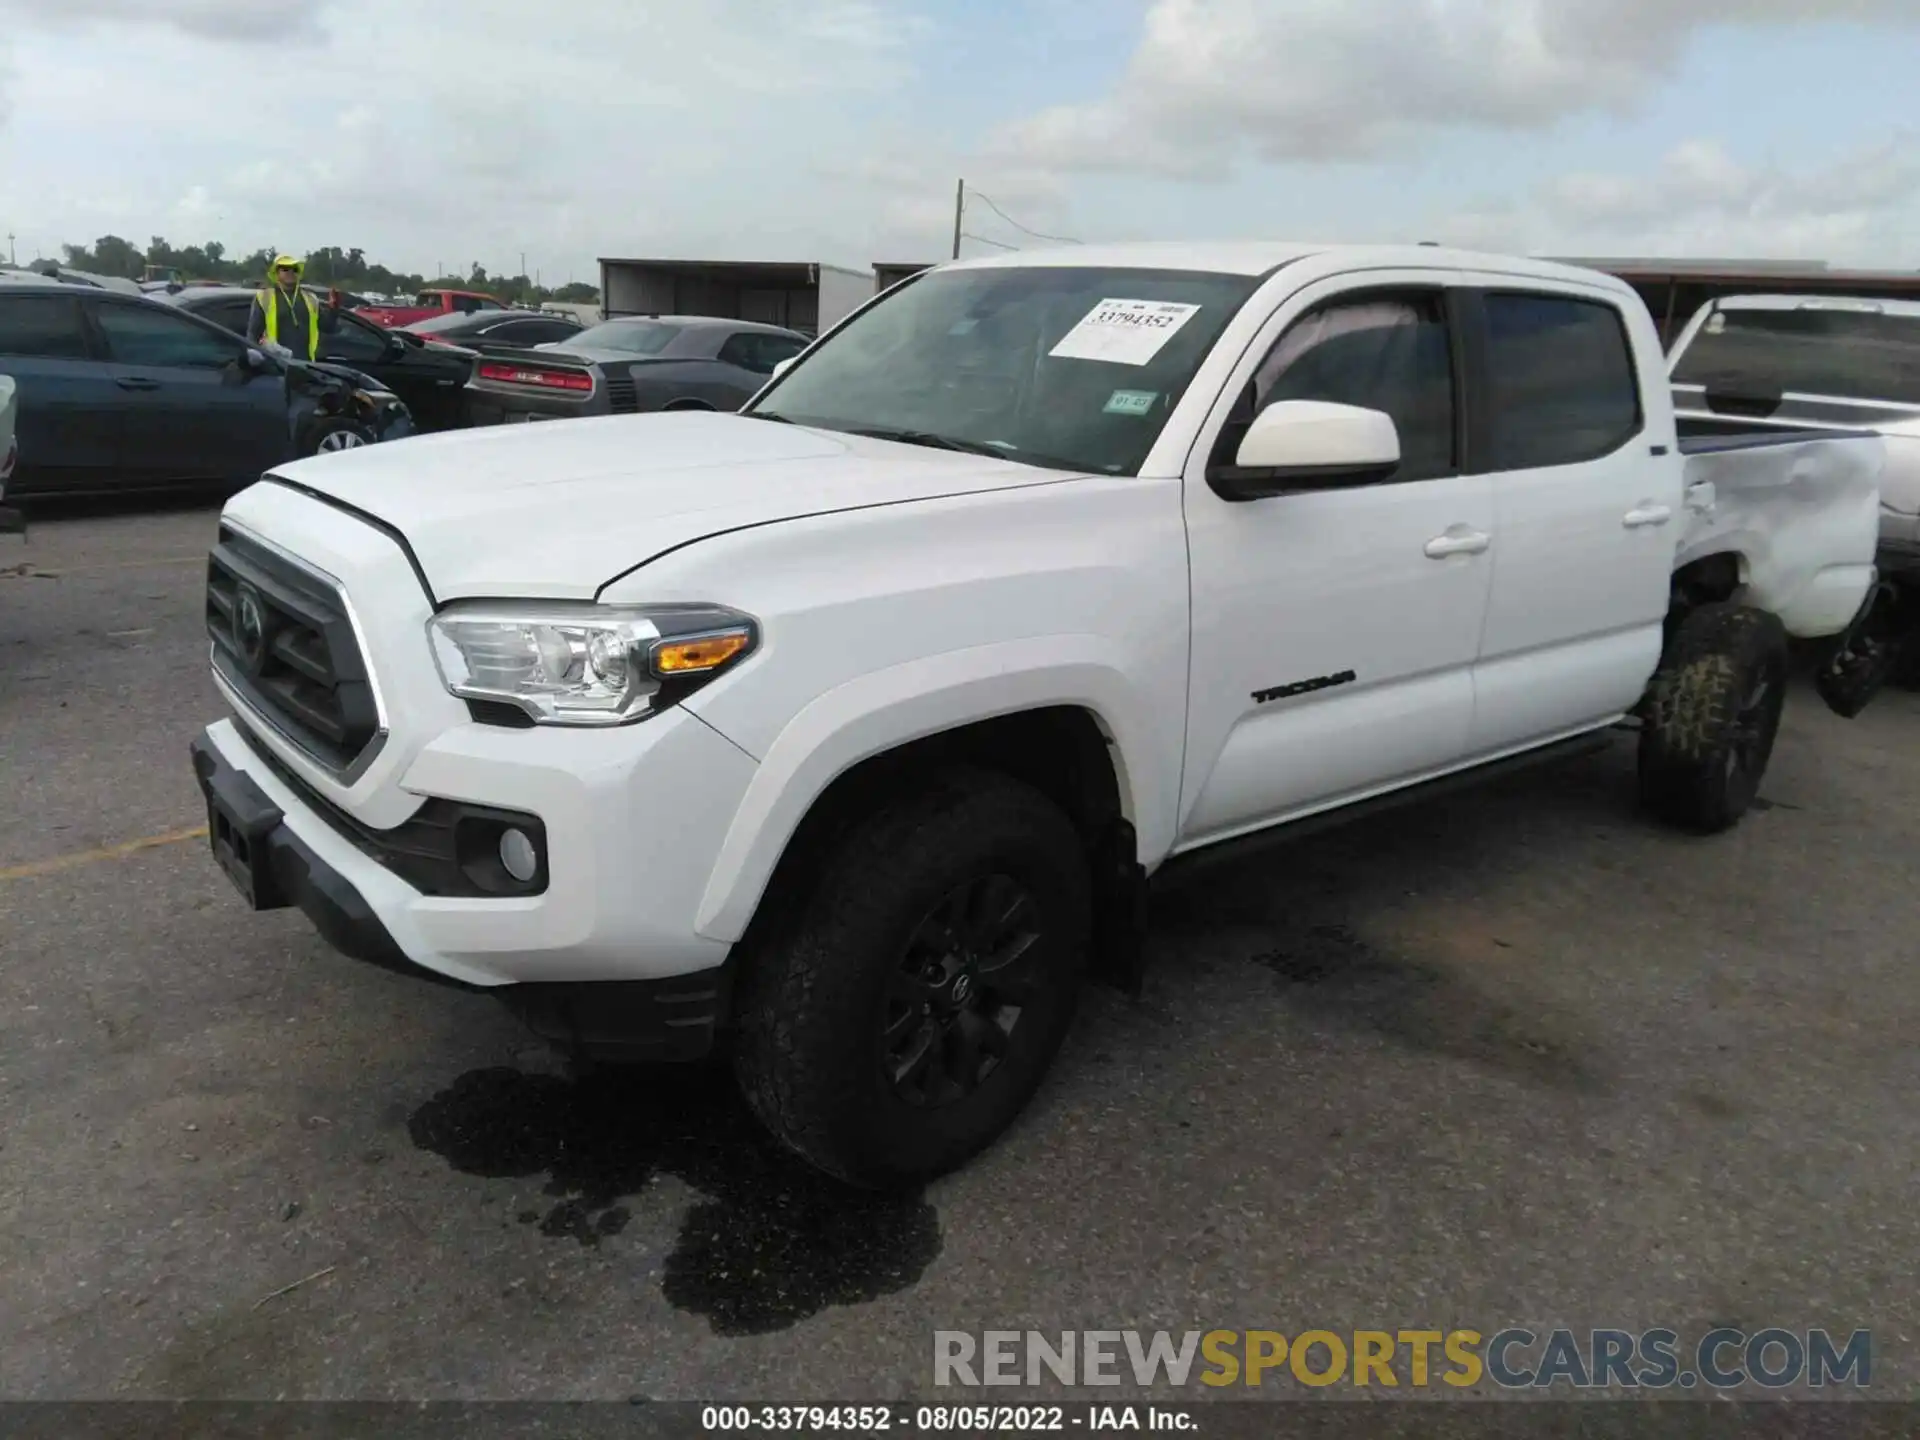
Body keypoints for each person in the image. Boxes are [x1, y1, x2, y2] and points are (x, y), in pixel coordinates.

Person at [247, 254, 329, 361]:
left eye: (294, 269)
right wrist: (253, 358)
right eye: (285, 269)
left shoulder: (310, 298)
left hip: (305, 365)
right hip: (275, 367)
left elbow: (328, 327)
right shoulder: (264, 297)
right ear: (276, 273)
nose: (290, 272)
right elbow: (253, 334)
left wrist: (334, 309)